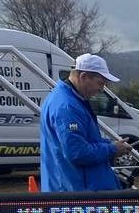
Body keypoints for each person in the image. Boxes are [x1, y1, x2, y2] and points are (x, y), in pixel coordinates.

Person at [39, 53, 133, 191]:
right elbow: (77, 152)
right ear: (83, 77)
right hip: (75, 192)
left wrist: (110, 144)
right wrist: (112, 149)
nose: (101, 89)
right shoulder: (67, 106)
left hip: (72, 187)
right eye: (100, 83)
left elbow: (83, 141)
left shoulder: (69, 100)